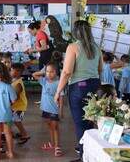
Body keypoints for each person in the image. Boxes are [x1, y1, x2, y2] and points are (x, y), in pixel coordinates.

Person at [54, 20, 103, 161]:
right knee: (92, 122)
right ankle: (92, 155)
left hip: (78, 87)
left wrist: (58, 92)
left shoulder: (73, 47)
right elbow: (100, 69)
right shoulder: (96, 47)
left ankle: (84, 157)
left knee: (80, 124)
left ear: (75, 32)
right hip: (95, 86)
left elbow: (67, 71)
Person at [33, 62, 64, 157]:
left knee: (55, 128)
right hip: (45, 109)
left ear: (56, 72)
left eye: (52, 72)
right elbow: (34, 75)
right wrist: (43, 72)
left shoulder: (59, 83)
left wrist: (61, 111)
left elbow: (61, 98)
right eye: (47, 72)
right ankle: (52, 144)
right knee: (50, 126)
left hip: (54, 110)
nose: (49, 74)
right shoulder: (44, 81)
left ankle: (57, 146)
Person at [10, 63, 30, 145]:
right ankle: (21, 133)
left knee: (17, 121)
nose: (10, 72)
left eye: (12, 70)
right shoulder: (14, 81)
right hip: (16, 106)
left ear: (18, 72)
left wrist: (8, 103)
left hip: (19, 107)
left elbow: (16, 97)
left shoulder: (18, 83)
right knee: (15, 120)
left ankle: (25, 134)